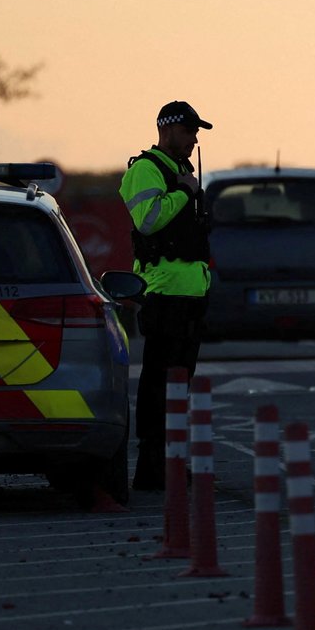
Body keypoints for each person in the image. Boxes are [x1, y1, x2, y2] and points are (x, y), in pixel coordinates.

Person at [121, 100, 215, 490]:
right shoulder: (146, 170)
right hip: (164, 296)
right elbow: (148, 220)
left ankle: (172, 462)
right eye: (189, 131)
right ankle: (152, 467)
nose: (194, 139)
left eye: (196, 133)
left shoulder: (180, 173)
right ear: (167, 129)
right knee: (159, 384)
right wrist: (183, 192)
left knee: (180, 386)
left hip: (190, 297)